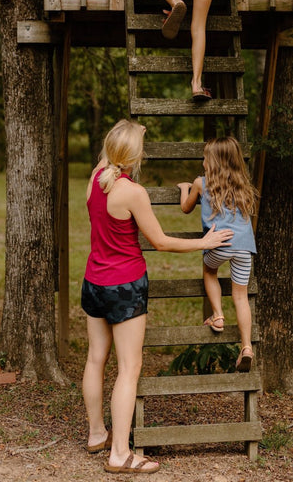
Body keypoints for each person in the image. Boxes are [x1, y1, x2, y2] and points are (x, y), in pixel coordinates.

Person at [82, 120, 233, 474]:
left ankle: (95, 434)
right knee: (129, 368)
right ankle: (119, 454)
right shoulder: (132, 192)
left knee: (95, 359)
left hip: (93, 281)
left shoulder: (95, 177)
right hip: (124, 285)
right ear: (136, 156)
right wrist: (204, 242)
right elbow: (161, 241)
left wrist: (133, 129)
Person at [177, 137, 259, 372]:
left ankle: (218, 315)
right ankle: (246, 347)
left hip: (218, 245)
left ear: (213, 161)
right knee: (241, 296)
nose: (203, 161)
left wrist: (185, 188)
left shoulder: (201, 183)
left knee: (209, 270)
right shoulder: (242, 183)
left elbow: (186, 208)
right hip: (244, 247)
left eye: (205, 158)